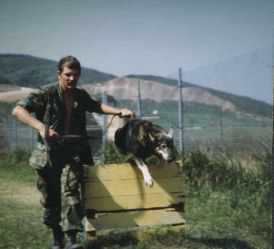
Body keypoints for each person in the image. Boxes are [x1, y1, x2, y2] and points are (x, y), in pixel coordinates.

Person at [12, 55, 134, 249]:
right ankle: (57, 235)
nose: (72, 79)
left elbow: (96, 106)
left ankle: (72, 238)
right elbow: (18, 111)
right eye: (68, 75)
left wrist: (118, 112)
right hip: (49, 152)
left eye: (76, 75)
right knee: (50, 197)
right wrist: (42, 128)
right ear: (59, 74)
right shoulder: (46, 93)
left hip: (74, 150)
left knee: (72, 192)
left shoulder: (79, 95)